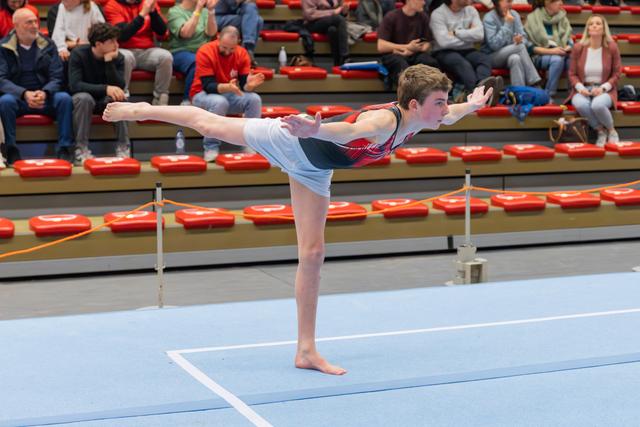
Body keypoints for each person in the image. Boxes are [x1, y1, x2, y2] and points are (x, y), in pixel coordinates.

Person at [103, 64, 492, 375]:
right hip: (291, 139)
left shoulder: (423, 118)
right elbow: (351, 130)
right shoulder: (384, 122)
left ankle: (305, 350)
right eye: (439, 103)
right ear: (412, 105)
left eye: (444, 102)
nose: (444, 109)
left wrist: (471, 104)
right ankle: (142, 110)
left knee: (313, 253)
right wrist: (317, 128)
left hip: (313, 171)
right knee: (210, 125)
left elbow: (454, 115)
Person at [0, 8, 74, 165]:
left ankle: (65, 149)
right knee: (5, 102)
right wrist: (24, 93)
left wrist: (45, 92)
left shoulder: (48, 44)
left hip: (45, 96)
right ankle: (11, 150)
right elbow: (2, 79)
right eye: (29, 22)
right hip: (18, 98)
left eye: (36, 21)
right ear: (16, 25)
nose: (35, 25)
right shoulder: (3, 47)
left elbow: (57, 76)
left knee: (64, 99)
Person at [191, 25, 264, 161]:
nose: (227, 52)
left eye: (231, 48)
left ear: (238, 43)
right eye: (224, 47)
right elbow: (208, 86)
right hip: (201, 94)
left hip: (229, 93)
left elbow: (243, 85)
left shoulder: (242, 53)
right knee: (219, 102)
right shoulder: (205, 51)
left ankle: (249, 143)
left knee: (254, 99)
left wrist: (249, 85)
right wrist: (228, 87)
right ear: (218, 38)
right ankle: (211, 147)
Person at [68, 22, 131, 162]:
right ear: (98, 44)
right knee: (83, 98)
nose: (116, 44)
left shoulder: (117, 57)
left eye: (116, 40)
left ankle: (123, 147)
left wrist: (109, 62)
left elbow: (120, 85)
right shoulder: (78, 54)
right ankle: (81, 149)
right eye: (111, 41)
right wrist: (105, 88)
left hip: (105, 100)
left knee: (121, 99)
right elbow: (75, 85)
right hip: (86, 99)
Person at [566, 14, 621, 147]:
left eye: (598, 23)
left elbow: (617, 73)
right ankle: (600, 131)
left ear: (603, 29)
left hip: (605, 89)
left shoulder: (612, 47)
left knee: (597, 105)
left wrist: (603, 88)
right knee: (581, 104)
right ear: (588, 29)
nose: (594, 26)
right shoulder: (579, 48)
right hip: (583, 89)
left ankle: (612, 130)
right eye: (591, 24)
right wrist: (580, 88)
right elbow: (572, 74)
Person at [103, 0, 172, 105]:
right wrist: (142, 14)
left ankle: (160, 99)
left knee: (165, 57)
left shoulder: (147, 2)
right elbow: (122, 35)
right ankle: (123, 97)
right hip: (124, 48)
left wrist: (153, 13)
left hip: (147, 50)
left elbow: (162, 31)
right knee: (126, 57)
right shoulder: (112, 5)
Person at [430, 0, 496, 103]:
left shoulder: (471, 10)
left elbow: (480, 35)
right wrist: (469, 35)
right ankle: (479, 97)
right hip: (444, 52)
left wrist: (456, 33)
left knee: (484, 59)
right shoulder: (438, 14)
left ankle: (479, 90)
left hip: (468, 50)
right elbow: (444, 42)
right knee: (462, 64)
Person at [376, 0, 439, 90]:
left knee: (429, 62)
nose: (424, 3)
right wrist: (406, 47)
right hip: (394, 54)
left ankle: (431, 94)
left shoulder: (423, 17)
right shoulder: (391, 16)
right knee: (401, 66)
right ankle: (408, 95)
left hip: (416, 53)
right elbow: (381, 46)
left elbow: (428, 43)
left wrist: (417, 48)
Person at [167, 0, 218, 105]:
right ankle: (188, 101)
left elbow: (211, 32)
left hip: (202, 52)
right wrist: (198, 10)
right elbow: (186, 33)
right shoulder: (175, 11)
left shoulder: (204, 12)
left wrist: (211, 11)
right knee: (197, 61)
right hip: (181, 52)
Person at [481, 0, 541, 87]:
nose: (510, 4)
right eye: (507, 1)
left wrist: (519, 39)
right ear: (497, 3)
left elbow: (524, 38)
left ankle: (519, 92)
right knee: (519, 47)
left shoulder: (514, 14)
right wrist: (507, 24)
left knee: (515, 58)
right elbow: (494, 45)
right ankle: (534, 81)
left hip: (511, 53)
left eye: (511, 1)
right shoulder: (489, 18)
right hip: (491, 56)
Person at [524, 0, 572, 99]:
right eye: (558, 1)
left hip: (560, 52)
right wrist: (552, 51)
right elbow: (529, 47)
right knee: (557, 59)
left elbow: (570, 40)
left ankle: (572, 94)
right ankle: (549, 94)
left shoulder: (563, 18)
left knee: (571, 59)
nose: (561, 3)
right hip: (539, 56)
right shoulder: (532, 18)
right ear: (548, 3)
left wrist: (567, 48)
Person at [302, 0, 350, 66]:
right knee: (338, 19)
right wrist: (333, 12)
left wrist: (344, 12)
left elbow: (341, 15)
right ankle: (345, 57)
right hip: (313, 23)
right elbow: (310, 15)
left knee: (332, 30)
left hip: (331, 23)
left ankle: (338, 63)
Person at [214, 0, 262, 65]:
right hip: (216, 17)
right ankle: (247, 50)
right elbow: (233, 4)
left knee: (254, 13)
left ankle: (247, 48)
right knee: (256, 21)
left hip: (234, 15)